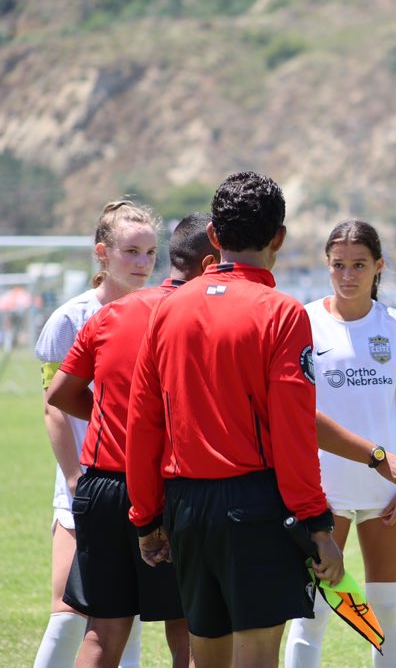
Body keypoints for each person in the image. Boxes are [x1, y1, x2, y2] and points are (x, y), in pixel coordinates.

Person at [123, 172, 346, 668]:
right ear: (279, 238)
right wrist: (317, 523)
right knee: (259, 655)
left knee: (206, 656)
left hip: (185, 508)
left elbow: (142, 422)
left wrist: (145, 517)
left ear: (216, 238)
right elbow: (293, 428)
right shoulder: (283, 313)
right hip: (255, 505)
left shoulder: (167, 309)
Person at [44, 213, 217, 667]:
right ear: (210, 261)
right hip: (171, 487)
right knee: (189, 637)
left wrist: (112, 416)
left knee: (102, 634)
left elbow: (60, 394)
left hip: (103, 487)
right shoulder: (205, 315)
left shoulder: (112, 313)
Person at [285, 220, 396, 668]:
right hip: (321, 494)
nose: (348, 275)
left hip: (387, 495)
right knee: (311, 614)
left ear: (379, 266)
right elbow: (296, 414)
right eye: (338, 265)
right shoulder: (302, 323)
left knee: (385, 610)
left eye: (359, 265)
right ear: (326, 265)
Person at [33, 200, 159, 668]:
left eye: (150, 252)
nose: (143, 263)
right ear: (103, 254)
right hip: (88, 487)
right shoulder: (71, 318)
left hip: (142, 484)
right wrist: (73, 477)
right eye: (131, 252)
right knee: (68, 618)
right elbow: (54, 406)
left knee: (127, 621)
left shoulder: (160, 311)